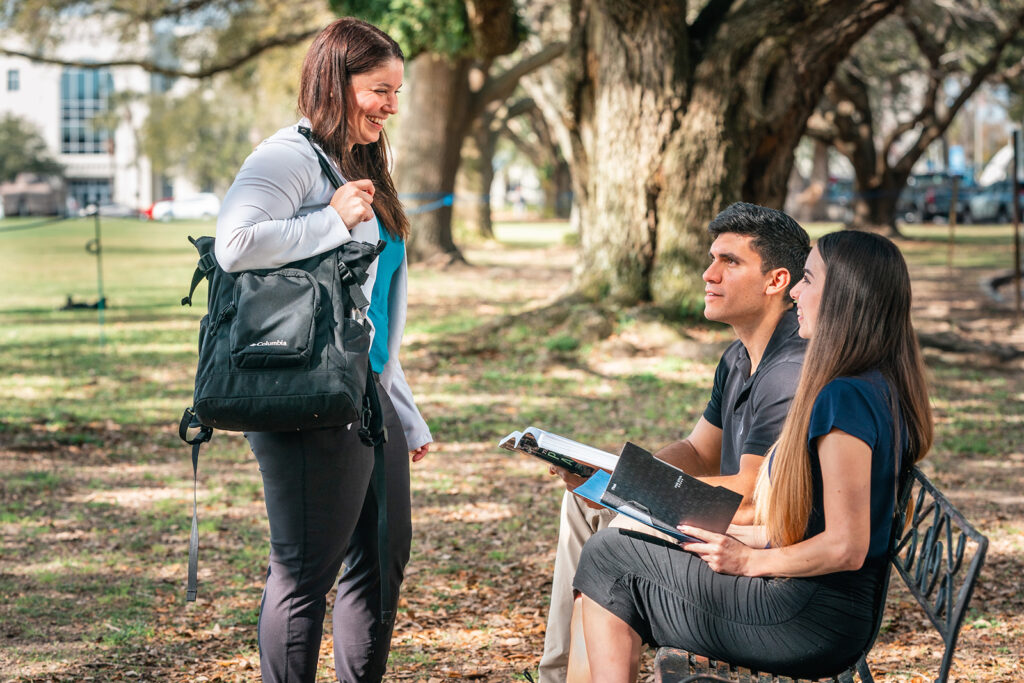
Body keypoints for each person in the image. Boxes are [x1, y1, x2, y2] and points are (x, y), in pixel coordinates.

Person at [570, 230, 934, 682]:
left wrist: (750, 561)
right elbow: (816, 521)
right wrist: (746, 539)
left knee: (609, 559)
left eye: (808, 280)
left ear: (845, 298)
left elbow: (846, 545)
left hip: (805, 619)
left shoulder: (845, 397)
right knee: (617, 553)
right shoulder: (872, 383)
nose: (796, 292)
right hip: (819, 608)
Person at [215, 17, 432, 683]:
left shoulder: (365, 161)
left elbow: (370, 305)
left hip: (365, 391)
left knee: (382, 552)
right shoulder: (285, 156)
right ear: (336, 83)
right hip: (303, 393)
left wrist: (404, 408)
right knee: (307, 567)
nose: (393, 105)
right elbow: (235, 244)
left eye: (397, 91)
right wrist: (329, 219)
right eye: (380, 90)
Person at [539, 203, 810, 683]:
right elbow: (699, 449)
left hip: (758, 549)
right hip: (727, 522)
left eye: (730, 262)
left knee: (608, 545)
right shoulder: (738, 356)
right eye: (712, 259)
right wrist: (622, 472)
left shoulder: (788, 369)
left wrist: (636, 489)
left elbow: (750, 495)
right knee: (583, 504)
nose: (709, 274)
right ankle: (558, 675)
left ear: (776, 281)